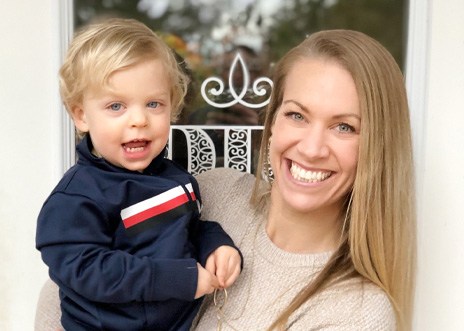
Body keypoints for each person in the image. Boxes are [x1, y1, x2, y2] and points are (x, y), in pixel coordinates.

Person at [192, 29, 416, 330]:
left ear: (377, 148)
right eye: (297, 116)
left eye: (345, 127)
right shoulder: (212, 193)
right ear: (272, 122)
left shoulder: (358, 314)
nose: (311, 149)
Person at [35, 18, 241, 331]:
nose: (139, 120)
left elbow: (189, 229)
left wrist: (217, 246)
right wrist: (177, 279)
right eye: (116, 106)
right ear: (81, 115)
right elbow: (85, 268)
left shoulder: (175, 179)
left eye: (154, 104)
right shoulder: (78, 197)